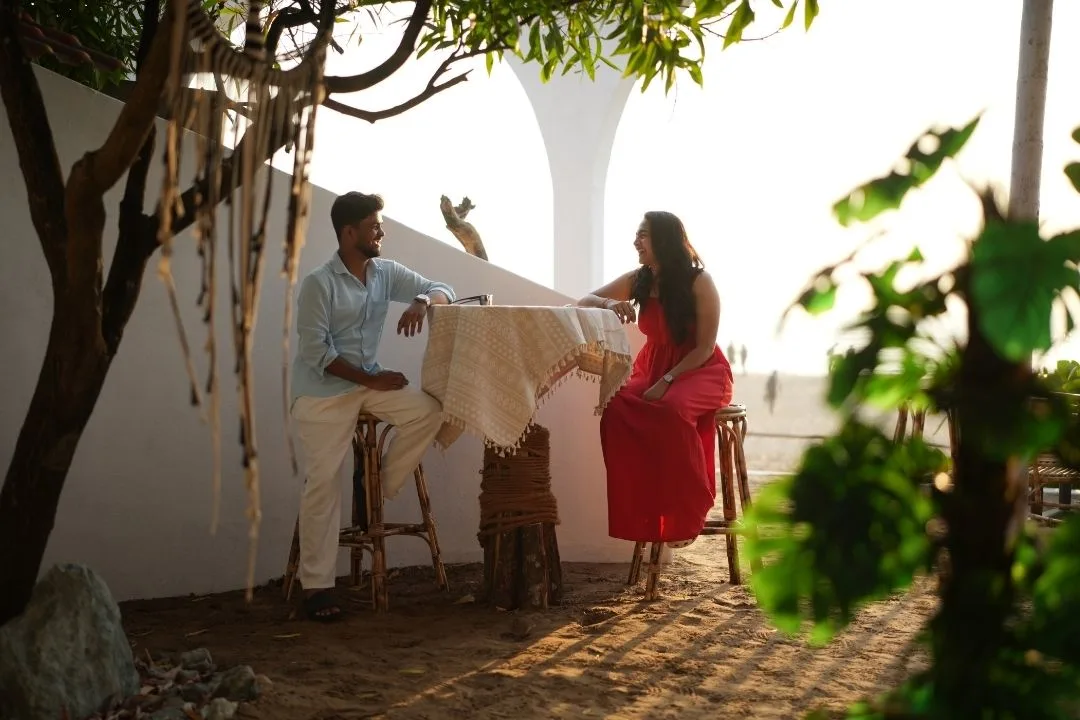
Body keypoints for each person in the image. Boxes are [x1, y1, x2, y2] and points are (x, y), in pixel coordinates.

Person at [290, 191, 456, 621]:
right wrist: (371, 379)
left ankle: (375, 488)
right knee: (323, 485)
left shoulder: (384, 273)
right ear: (349, 233)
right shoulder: (318, 283)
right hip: (322, 394)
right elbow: (316, 353)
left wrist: (421, 301)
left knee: (429, 411)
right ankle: (317, 589)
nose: (380, 231)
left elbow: (444, 289)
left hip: (368, 383)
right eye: (372, 225)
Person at [577, 211, 733, 547]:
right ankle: (646, 507)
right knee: (616, 407)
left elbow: (705, 347)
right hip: (652, 367)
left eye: (643, 235)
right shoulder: (641, 279)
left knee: (672, 407)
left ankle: (689, 509)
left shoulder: (699, 282)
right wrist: (608, 304)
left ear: (663, 239)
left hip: (700, 369)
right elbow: (584, 301)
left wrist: (670, 379)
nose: (636, 242)